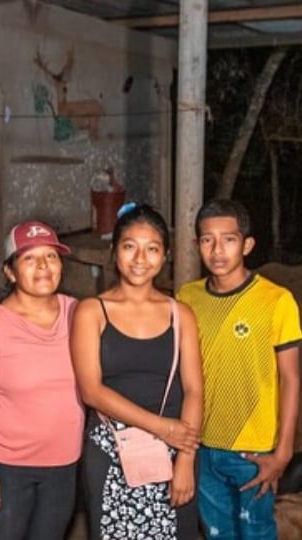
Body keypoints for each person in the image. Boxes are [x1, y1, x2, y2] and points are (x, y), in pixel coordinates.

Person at [71, 203, 204, 539]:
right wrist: (161, 427)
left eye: (152, 249)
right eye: (130, 247)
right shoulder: (92, 311)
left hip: (174, 451)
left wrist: (185, 461)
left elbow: (194, 390)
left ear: (165, 256)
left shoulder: (180, 314)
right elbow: (92, 391)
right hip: (111, 450)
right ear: (115, 251)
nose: (140, 259)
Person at [176, 199, 302, 540]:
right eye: (207, 240)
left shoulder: (276, 300)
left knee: (257, 531)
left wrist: (284, 451)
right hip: (200, 444)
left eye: (229, 239)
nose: (217, 250)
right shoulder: (186, 298)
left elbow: (290, 378)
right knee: (218, 533)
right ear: (196, 245)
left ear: (247, 244)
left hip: (253, 449)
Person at [0, 220, 84, 540]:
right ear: (10, 271)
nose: (43, 266)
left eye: (51, 257)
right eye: (29, 258)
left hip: (65, 464)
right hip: (8, 465)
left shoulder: (79, 314)